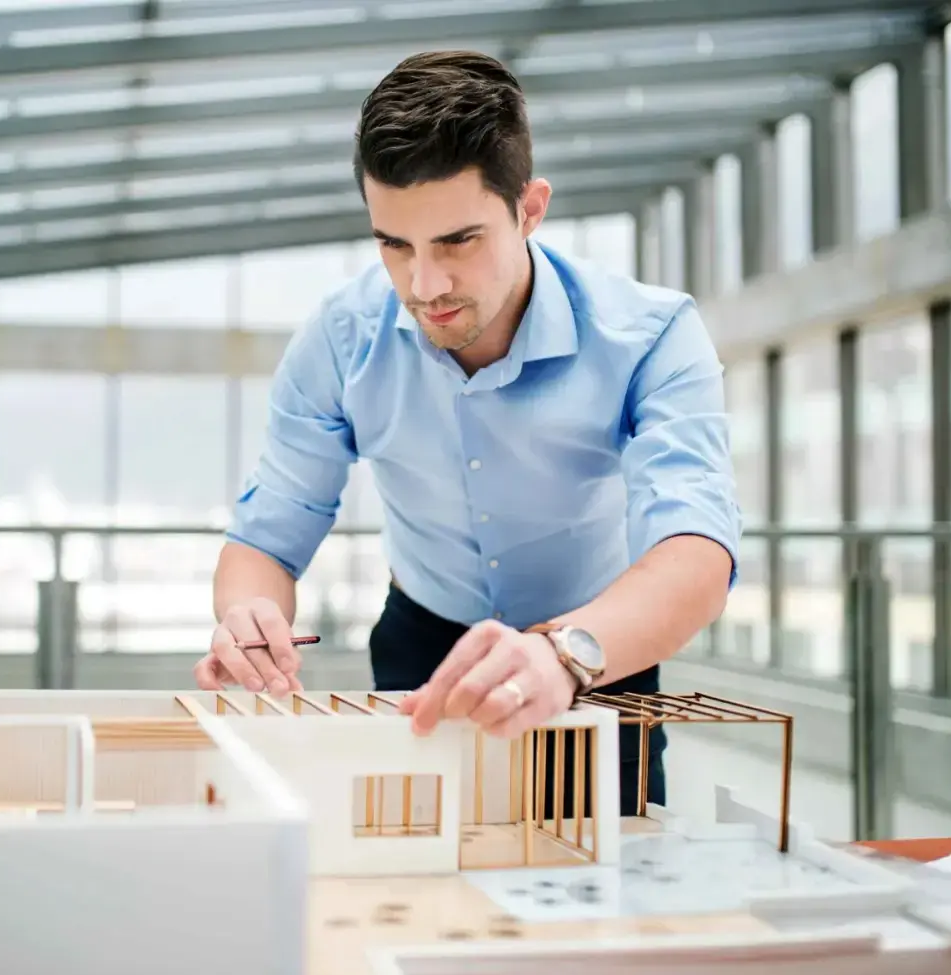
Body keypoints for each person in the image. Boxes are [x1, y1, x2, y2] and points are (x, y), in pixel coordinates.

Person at [194, 50, 740, 817]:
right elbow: (267, 538)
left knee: (606, 881)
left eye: (458, 241)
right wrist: (246, 618)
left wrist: (564, 654)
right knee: (414, 868)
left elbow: (696, 551)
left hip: (595, 647)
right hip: (424, 637)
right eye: (394, 245)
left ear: (530, 208)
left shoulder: (652, 334)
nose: (425, 287)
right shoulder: (341, 336)